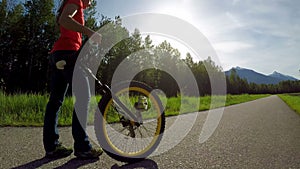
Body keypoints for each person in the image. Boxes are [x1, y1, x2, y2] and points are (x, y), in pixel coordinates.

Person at [43, 0, 102, 159]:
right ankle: (83, 147)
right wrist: (89, 32)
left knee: (55, 101)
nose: (90, 3)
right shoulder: (76, 0)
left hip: (58, 54)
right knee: (83, 97)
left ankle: (52, 147)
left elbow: (64, 23)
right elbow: (65, 19)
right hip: (68, 54)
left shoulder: (71, 3)